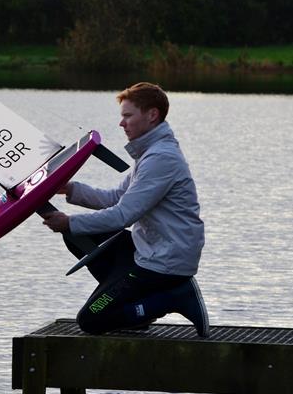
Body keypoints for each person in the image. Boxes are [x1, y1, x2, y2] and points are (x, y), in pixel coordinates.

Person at [42, 82, 209, 337]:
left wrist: (69, 222)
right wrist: (70, 189)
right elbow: (116, 197)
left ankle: (175, 297)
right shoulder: (150, 153)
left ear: (152, 115)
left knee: (91, 320)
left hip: (165, 263)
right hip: (149, 251)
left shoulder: (161, 159)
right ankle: (134, 311)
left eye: (128, 116)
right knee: (77, 236)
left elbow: (123, 215)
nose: (122, 123)